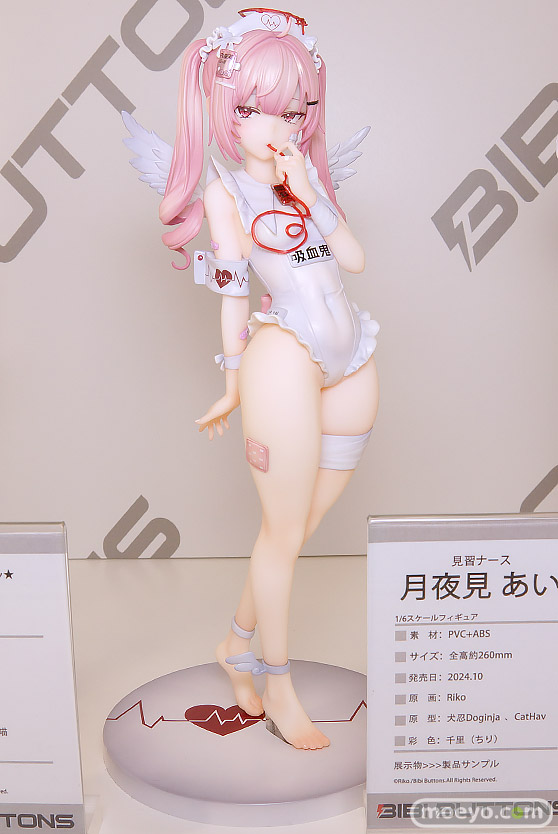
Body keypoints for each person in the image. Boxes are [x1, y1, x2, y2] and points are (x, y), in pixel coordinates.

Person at [160, 8, 379, 750]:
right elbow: (232, 293)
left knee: (295, 528)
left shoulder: (305, 179)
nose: (276, 126)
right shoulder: (226, 193)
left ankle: (235, 639)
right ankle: (274, 681)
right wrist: (231, 382)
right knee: (284, 533)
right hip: (282, 357)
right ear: (228, 109)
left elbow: (354, 262)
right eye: (256, 109)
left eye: (292, 110)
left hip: (353, 356)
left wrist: (310, 193)